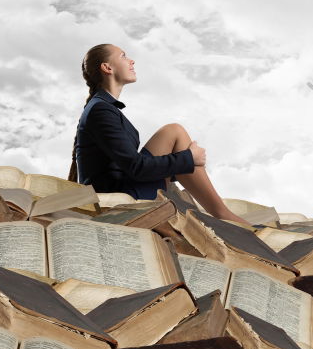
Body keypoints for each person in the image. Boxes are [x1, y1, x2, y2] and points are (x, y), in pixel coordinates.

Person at [69, 43, 247, 224]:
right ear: (107, 68)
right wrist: (189, 158)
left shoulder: (103, 108)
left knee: (174, 133)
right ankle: (222, 214)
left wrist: (185, 162)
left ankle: (221, 213)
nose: (132, 61)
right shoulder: (100, 110)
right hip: (116, 197)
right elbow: (137, 168)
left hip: (124, 185)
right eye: (123, 56)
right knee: (174, 131)